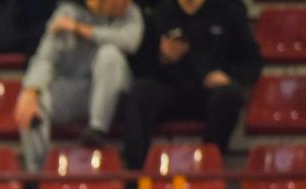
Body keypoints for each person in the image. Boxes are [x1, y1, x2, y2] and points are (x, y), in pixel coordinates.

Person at [120, 0, 260, 169]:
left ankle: (209, 165)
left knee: (230, 94)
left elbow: (253, 61)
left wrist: (229, 77)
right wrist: (163, 58)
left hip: (209, 92)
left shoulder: (229, 9)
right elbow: (141, 67)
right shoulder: (159, 11)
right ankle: (137, 174)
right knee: (139, 92)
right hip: (170, 88)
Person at [14, 0, 142, 171]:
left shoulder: (130, 12)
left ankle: (98, 129)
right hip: (80, 90)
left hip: (116, 98)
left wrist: (80, 29)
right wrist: (30, 91)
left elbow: (130, 41)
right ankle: (36, 175)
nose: (126, 3)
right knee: (32, 104)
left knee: (109, 54)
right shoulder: (68, 13)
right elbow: (45, 59)